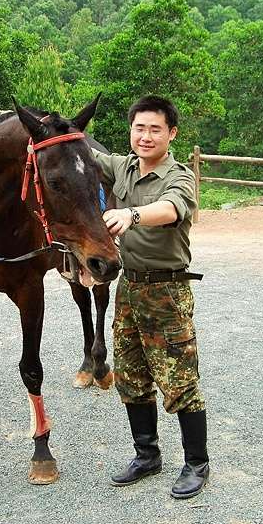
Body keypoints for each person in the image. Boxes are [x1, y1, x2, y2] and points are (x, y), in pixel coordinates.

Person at [90, 95, 209, 499]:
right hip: (129, 289)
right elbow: (77, 146)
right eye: (139, 128)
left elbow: (171, 209)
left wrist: (131, 214)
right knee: (130, 376)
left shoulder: (179, 176)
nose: (146, 136)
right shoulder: (121, 166)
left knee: (179, 380)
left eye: (155, 129)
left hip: (167, 291)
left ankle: (197, 462)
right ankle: (147, 455)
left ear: (171, 134)